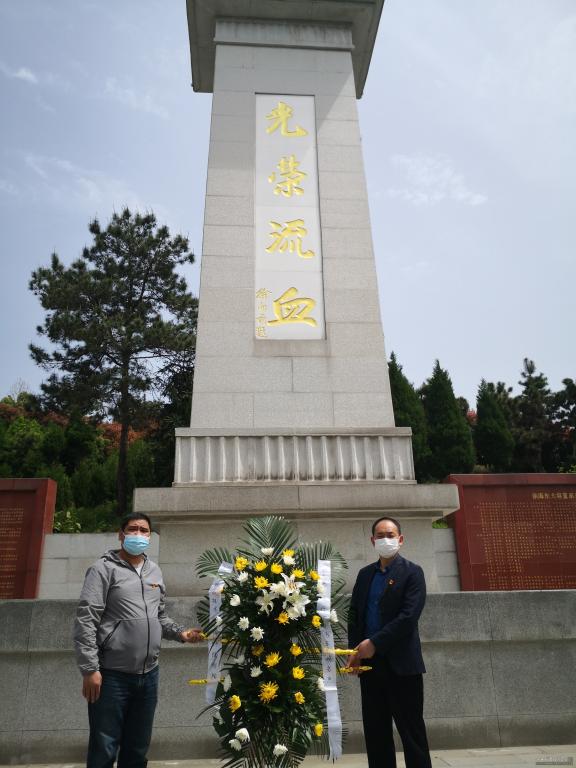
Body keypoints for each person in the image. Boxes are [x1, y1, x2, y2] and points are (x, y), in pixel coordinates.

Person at [73, 513, 202, 768]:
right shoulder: (103, 569)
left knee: (137, 750)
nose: (139, 534)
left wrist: (181, 634)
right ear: (121, 535)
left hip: (148, 676)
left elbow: (159, 616)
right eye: (133, 529)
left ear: (150, 536)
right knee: (103, 749)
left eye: (144, 530)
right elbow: (86, 619)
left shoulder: (154, 571)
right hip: (111, 676)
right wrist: (89, 669)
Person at [348, 516, 432, 768]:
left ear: (400, 539)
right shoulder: (365, 575)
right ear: (372, 541)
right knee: (376, 735)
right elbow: (354, 615)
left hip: (402, 666)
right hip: (370, 667)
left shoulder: (412, 572)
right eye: (380, 536)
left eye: (390, 535)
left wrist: (374, 643)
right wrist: (355, 650)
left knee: (412, 734)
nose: (386, 540)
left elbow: (408, 617)